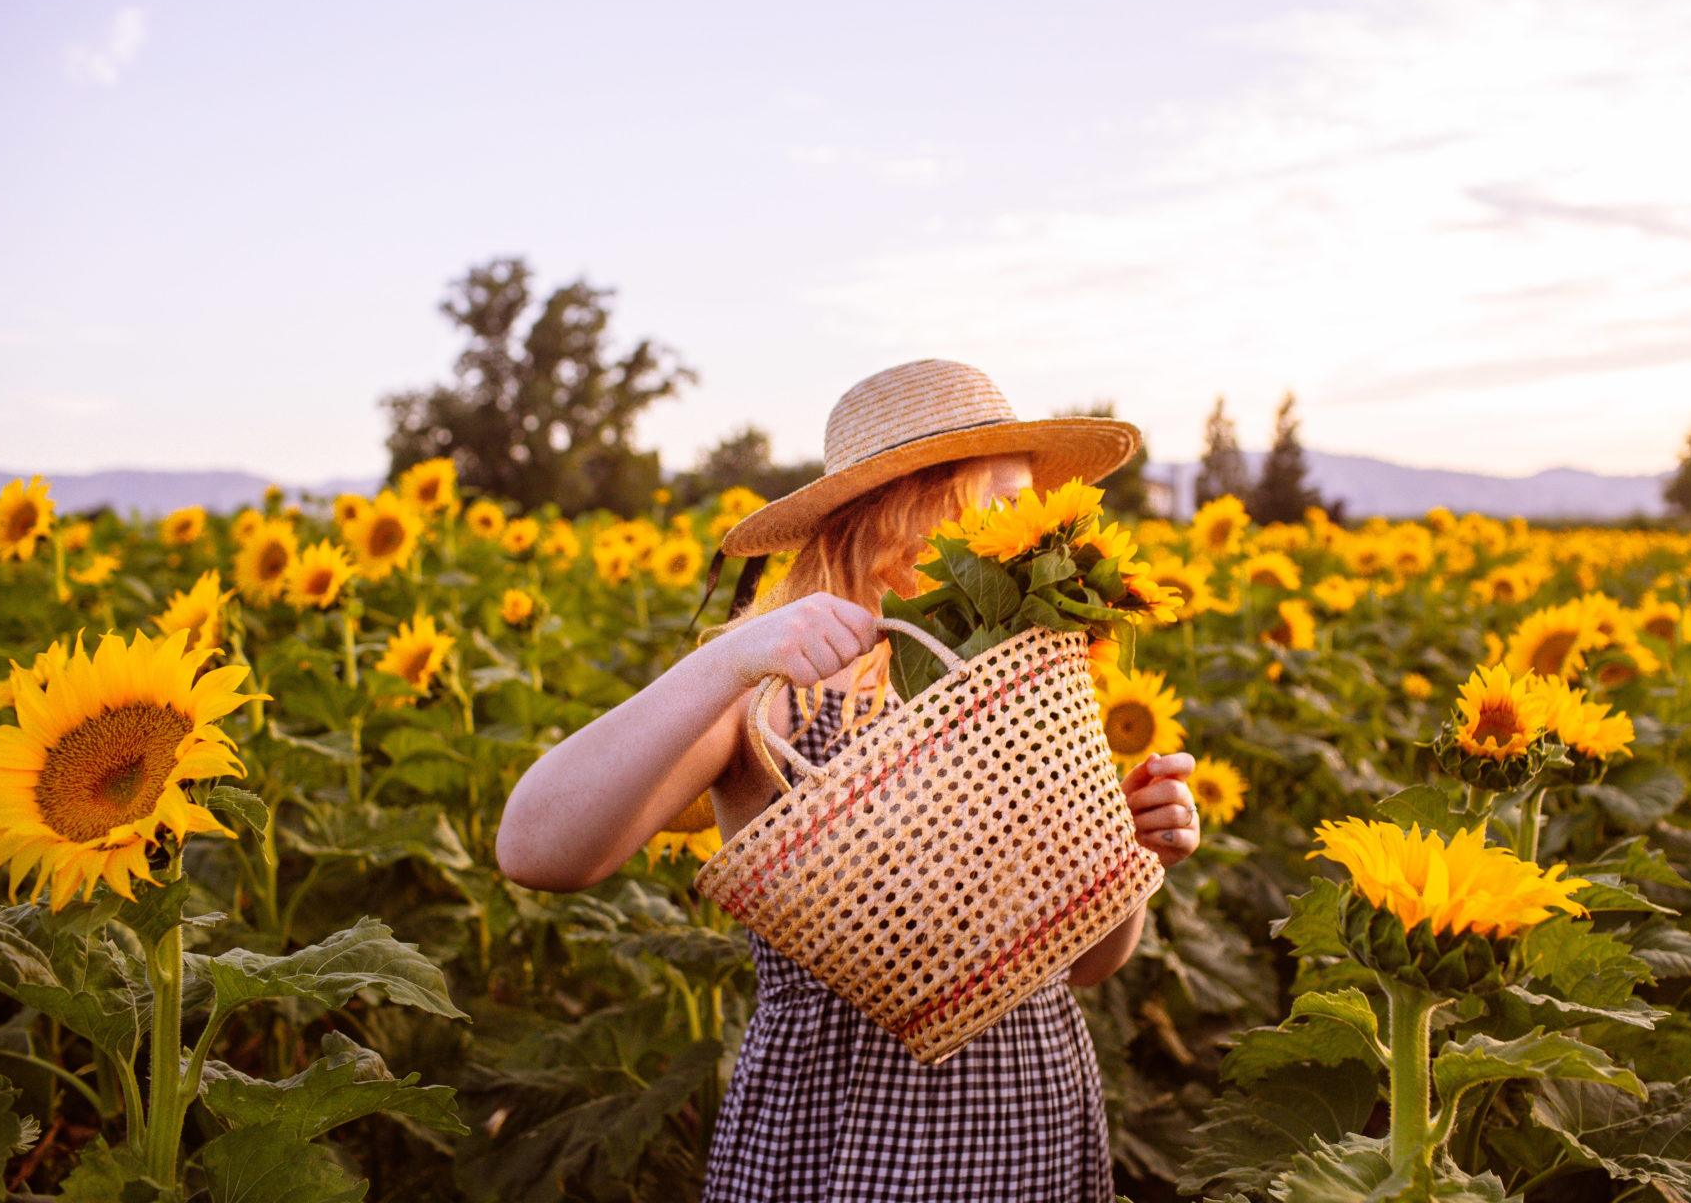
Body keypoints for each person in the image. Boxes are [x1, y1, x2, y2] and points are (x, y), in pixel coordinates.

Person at [494, 358, 1202, 1202]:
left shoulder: (1036, 685)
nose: (1044, 536)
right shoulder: (775, 689)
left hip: (1029, 1103)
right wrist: (732, 656)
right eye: (1008, 506)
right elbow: (537, 847)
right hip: (843, 1122)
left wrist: (1137, 858)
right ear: (909, 508)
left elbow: (1082, 964)